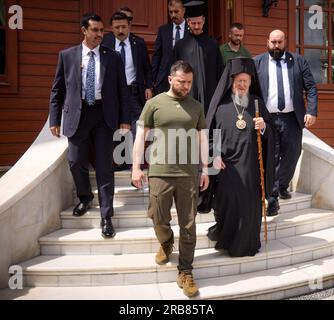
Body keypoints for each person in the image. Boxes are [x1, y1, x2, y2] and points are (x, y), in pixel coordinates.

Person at [131, 60, 209, 297]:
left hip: (187, 174)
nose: (186, 86)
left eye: (189, 83)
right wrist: (136, 167)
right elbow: (140, 137)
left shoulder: (196, 106)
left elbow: (202, 138)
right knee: (157, 217)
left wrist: (204, 169)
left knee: (189, 224)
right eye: (182, 82)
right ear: (170, 79)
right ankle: (166, 241)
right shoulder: (153, 104)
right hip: (159, 172)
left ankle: (185, 271)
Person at [49, 13, 131, 238]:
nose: (99, 35)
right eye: (94, 30)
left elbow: (122, 91)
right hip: (78, 115)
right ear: (83, 31)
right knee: (75, 161)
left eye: (101, 30)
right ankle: (85, 197)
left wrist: (125, 118)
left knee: (105, 168)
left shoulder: (113, 57)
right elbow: (58, 90)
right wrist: (54, 119)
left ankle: (106, 216)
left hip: (104, 116)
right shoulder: (67, 56)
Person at [205, 57, 275, 257]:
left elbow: (271, 134)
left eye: (246, 81)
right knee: (228, 203)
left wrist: (264, 128)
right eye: (239, 81)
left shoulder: (257, 103)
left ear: (251, 82)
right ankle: (227, 240)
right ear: (232, 82)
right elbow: (212, 136)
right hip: (227, 168)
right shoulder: (220, 106)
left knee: (249, 207)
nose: (242, 85)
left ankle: (246, 245)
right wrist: (214, 154)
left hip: (251, 167)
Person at [254, 29, 318, 216]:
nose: (276, 45)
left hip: (291, 117)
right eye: (273, 42)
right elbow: (250, 91)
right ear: (267, 41)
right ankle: (272, 198)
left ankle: (281, 184)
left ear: (285, 42)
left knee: (293, 152)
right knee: (271, 156)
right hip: (268, 118)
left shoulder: (298, 61)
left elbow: (311, 88)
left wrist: (311, 111)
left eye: (279, 42)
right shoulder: (257, 62)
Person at [103, 11, 153, 137]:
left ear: (129, 26)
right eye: (117, 27)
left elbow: (147, 68)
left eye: (124, 27)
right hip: (112, 94)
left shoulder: (139, 43)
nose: (121, 30)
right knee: (114, 131)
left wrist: (149, 87)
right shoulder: (104, 42)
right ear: (111, 28)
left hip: (134, 93)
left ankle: (133, 156)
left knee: (136, 131)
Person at [172, 2, 223, 115]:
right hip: (187, 96)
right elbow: (174, 73)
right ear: (188, 22)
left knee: (213, 131)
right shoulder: (180, 46)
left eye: (199, 23)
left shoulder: (213, 45)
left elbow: (220, 72)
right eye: (193, 23)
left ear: (204, 21)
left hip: (210, 98)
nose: (196, 26)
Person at [151, 0, 188, 95]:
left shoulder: (191, 29)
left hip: (185, 77)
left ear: (183, 10)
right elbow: (157, 55)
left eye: (176, 12)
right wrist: (153, 78)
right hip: (165, 79)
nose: (173, 15)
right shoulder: (163, 30)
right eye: (170, 12)